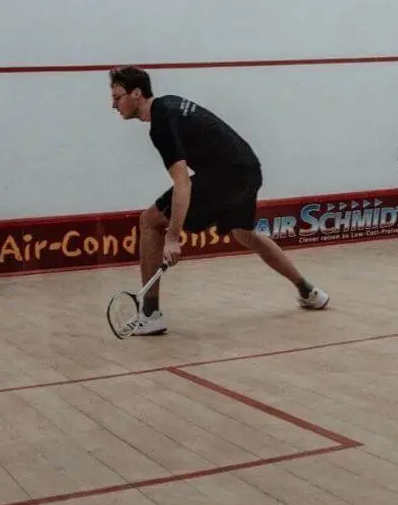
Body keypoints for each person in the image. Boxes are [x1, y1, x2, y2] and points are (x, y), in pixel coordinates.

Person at [109, 66, 329, 334]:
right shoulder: (170, 104)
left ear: (136, 94)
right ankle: (309, 291)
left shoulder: (161, 123)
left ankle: (150, 314)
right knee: (246, 235)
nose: (113, 105)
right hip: (248, 168)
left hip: (225, 174)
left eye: (117, 97)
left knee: (149, 221)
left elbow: (182, 182)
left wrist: (173, 237)